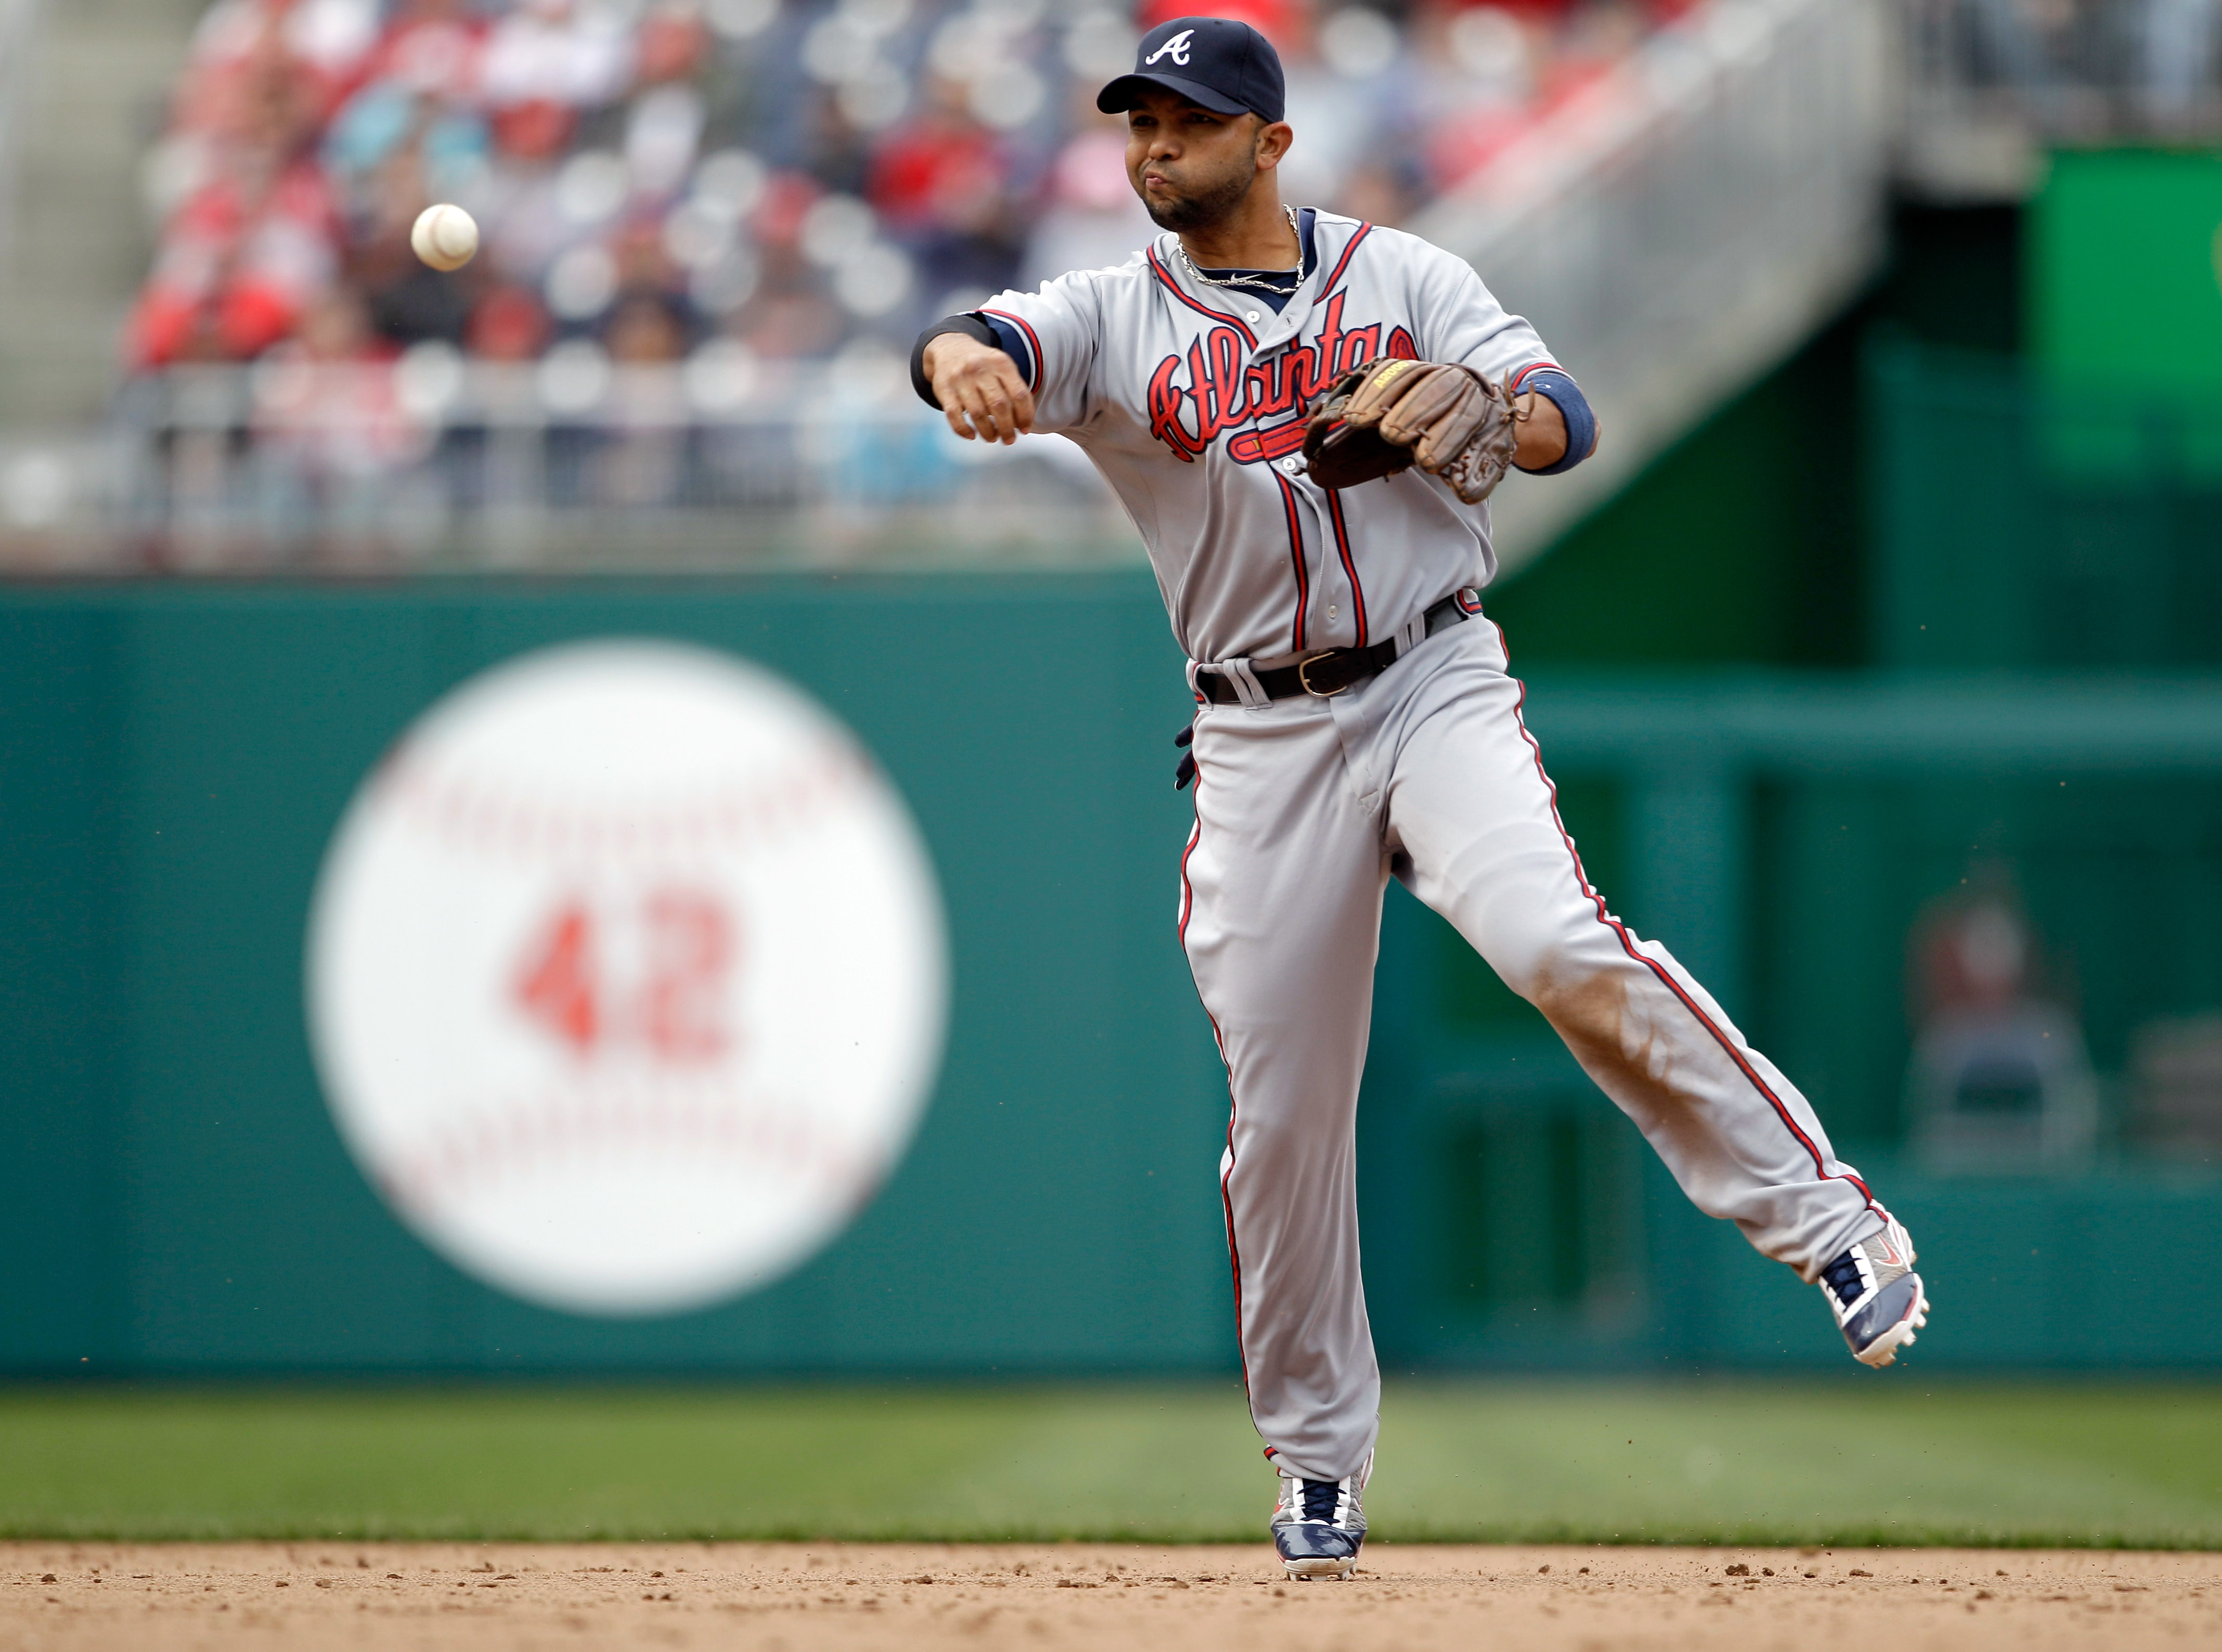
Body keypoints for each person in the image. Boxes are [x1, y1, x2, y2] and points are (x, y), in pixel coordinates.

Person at [911, 15, 1929, 1584]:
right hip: (1257, 740)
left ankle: (1832, 1223)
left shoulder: (1406, 278)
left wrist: (1481, 408)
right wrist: (963, 363)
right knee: (1285, 1119)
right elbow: (979, 338)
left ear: (1269, 141)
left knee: (1553, 942)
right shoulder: (1112, 313)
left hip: (1431, 678)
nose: (1151, 146)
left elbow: (1561, 416)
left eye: (1183, 121)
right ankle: (1320, 1466)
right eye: (1136, 122)